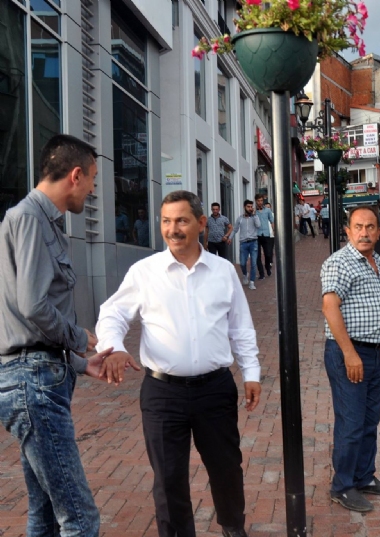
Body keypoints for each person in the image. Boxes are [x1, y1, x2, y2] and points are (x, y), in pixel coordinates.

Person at [95, 190, 261, 537]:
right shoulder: (145, 272)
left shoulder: (223, 271)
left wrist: (252, 373)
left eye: (181, 220)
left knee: (227, 468)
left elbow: (240, 326)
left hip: (215, 389)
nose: (172, 229)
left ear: (201, 223)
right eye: (166, 221)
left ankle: (233, 527)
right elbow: (112, 314)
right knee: (169, 478)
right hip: (162, 393)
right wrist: (114, 347)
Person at [0, 134, 116, 536]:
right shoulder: (30, 218)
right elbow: (32, 306)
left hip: (36, 377)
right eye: (93, 179)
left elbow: (26, 316)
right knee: (80, 518)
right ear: (76, 174)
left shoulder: (32, 219)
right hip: (33, 383)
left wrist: (82, 365)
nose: (93, 189)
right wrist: (80, 337)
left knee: (45, 512)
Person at [320, 205, 380, 513]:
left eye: (370, 227)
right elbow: (330, 308)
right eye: (358, 227)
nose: (364, 232)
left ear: (378, 232)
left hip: (371, 350)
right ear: (348, 231)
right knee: (351, 423)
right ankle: (342, 486)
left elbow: (369, 306)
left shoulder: (375, 261)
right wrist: (350, 353)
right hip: (348, 353)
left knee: (368, 420)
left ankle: (364, 477)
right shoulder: (341, 263)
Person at [232, 199, 261, 290]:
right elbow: (235, 229)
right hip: (243, 243)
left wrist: (255, 215)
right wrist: (229, 238)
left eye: (251, 207)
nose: (250, 208)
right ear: (244, 207)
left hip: (253, 242)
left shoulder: (254, 217)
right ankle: (245, 274)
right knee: (242, 263)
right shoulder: (240, 219)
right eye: (248, 207)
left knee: (253, 263)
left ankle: (252, 282)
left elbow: (258, 225)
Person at [254, 194, 274, 279]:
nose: (260, 202)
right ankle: (261, 273)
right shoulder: (254, 211)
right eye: (258, 201)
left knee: (268, 254)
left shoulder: (268, 210)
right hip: (256, 235)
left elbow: (272, 221)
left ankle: (267, 267)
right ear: (256, 201)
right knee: (257, 256)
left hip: (266, 235)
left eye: (261, 200)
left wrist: (273, 230)